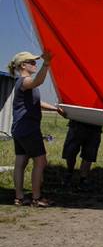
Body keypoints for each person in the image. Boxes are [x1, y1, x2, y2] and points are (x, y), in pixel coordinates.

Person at [7, 51, 63, 207]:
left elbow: (36, 102)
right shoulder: (25, 81)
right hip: (28, 129)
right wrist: (46, 64)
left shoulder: (22, 83)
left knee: (21, 162)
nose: (34, 64)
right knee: (41, 161)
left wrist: (55, 109)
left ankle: (19, 197)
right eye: (31, 62)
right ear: (23, 65)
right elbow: (38, 82)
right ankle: (37, 198)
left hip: (19, 129)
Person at [62, 120, 102, 191]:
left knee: (89, 155)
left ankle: (83, 179)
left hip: (95, 127)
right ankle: (69, 172)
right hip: (76, 125)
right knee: (70, 152)